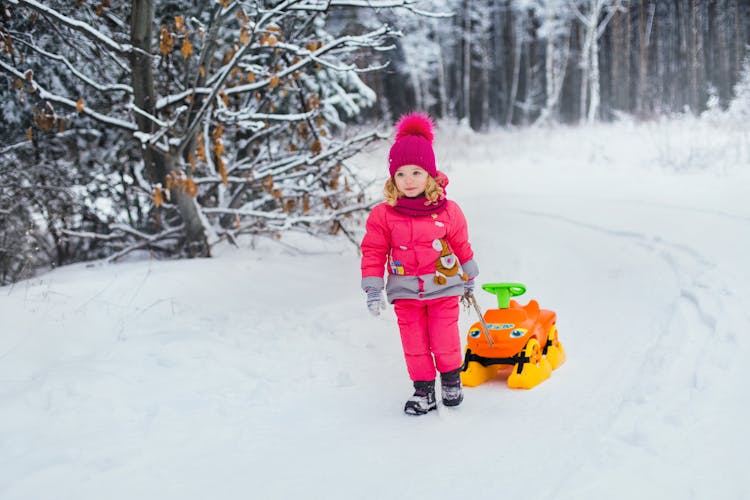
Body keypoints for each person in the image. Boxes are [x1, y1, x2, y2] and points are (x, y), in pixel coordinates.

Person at [360, 112, 479, 415]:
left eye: (416, 172)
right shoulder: (383, 215)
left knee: (445, 338)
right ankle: (423, 391)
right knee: (414, 343)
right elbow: (373, 251)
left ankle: (451, 380)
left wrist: (468, 273)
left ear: (429, 174)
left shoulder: (449, 211)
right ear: (392, 179)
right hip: (405, 291)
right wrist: (373, 289)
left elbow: (462, 244)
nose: (408, 180)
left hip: (444, 286)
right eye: (400, 174)